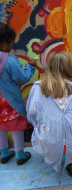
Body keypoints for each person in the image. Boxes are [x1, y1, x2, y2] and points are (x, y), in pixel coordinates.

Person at [26, 51, 72, 177]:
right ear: (68, 67)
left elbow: (31, 114)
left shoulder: (38, 88)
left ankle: (54, 160)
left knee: (45, 131)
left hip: (49, 141)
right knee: (71, 136)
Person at [0, 22, 36, 165]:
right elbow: (22, 78)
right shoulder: (10, 60)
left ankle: (4, 153)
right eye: (10, 44)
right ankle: (20, 155)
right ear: (4, 45)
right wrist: (30, 67)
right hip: (11, 102)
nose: (11, 47)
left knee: (1, 126)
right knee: (16, 126)